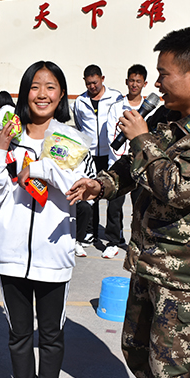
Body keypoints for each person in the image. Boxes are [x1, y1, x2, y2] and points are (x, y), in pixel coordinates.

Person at [67, 27, 190, 378]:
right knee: (137, 354)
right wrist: (101, 185)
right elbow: (135, 166)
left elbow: (176, 188)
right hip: (149, 263)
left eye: (164, 74)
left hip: (186, 281)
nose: (157, 84)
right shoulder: (169, 117)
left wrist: (141, 138)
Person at [0, 61, 95, 378]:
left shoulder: (72, 139)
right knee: (18, 335)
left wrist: (39, 168)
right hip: (12, 254)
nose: (42, 94)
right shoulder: (10, 137)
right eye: (34, 86)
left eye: (50, 87)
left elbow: (76, 187)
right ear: (24, 93)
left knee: (51, 335)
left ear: (61, 94)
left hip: (53, 254)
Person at [101, 64, 157, 259]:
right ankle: (113, 241)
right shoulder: (116, 107)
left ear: (144, 84)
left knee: (141, 207)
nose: (134, 84)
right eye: (131, 80)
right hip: (119, 164)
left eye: (138, 81)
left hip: (142, 165)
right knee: (114, 206)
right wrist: (123, 160)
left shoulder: (151, 110)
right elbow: (111, 135)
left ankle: (138, 242)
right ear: (126, 82)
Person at [72, 65, 121, 257]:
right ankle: (89, 232)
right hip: (90, 155)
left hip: (110, 154)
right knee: (90, 194)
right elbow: (79, 126)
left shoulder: (115, 97)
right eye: (88, 83)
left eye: (95, 82)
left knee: (113, 196)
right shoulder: (80, 101)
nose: (92, 86)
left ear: (102, 78)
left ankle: (114, 236)